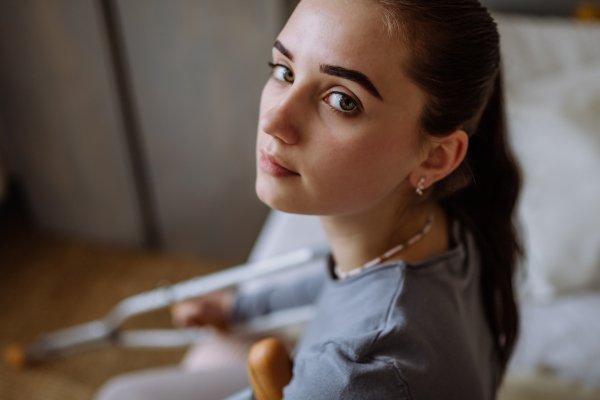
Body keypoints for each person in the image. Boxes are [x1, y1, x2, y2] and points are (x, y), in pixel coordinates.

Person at [97, 0, 522, 398]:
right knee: (213, 351)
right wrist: (241, 305)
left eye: (342, 101)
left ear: (436, 157)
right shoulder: (444, 228)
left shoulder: (354, 373)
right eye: (283, 70)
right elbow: (341, 277)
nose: (273, 118)